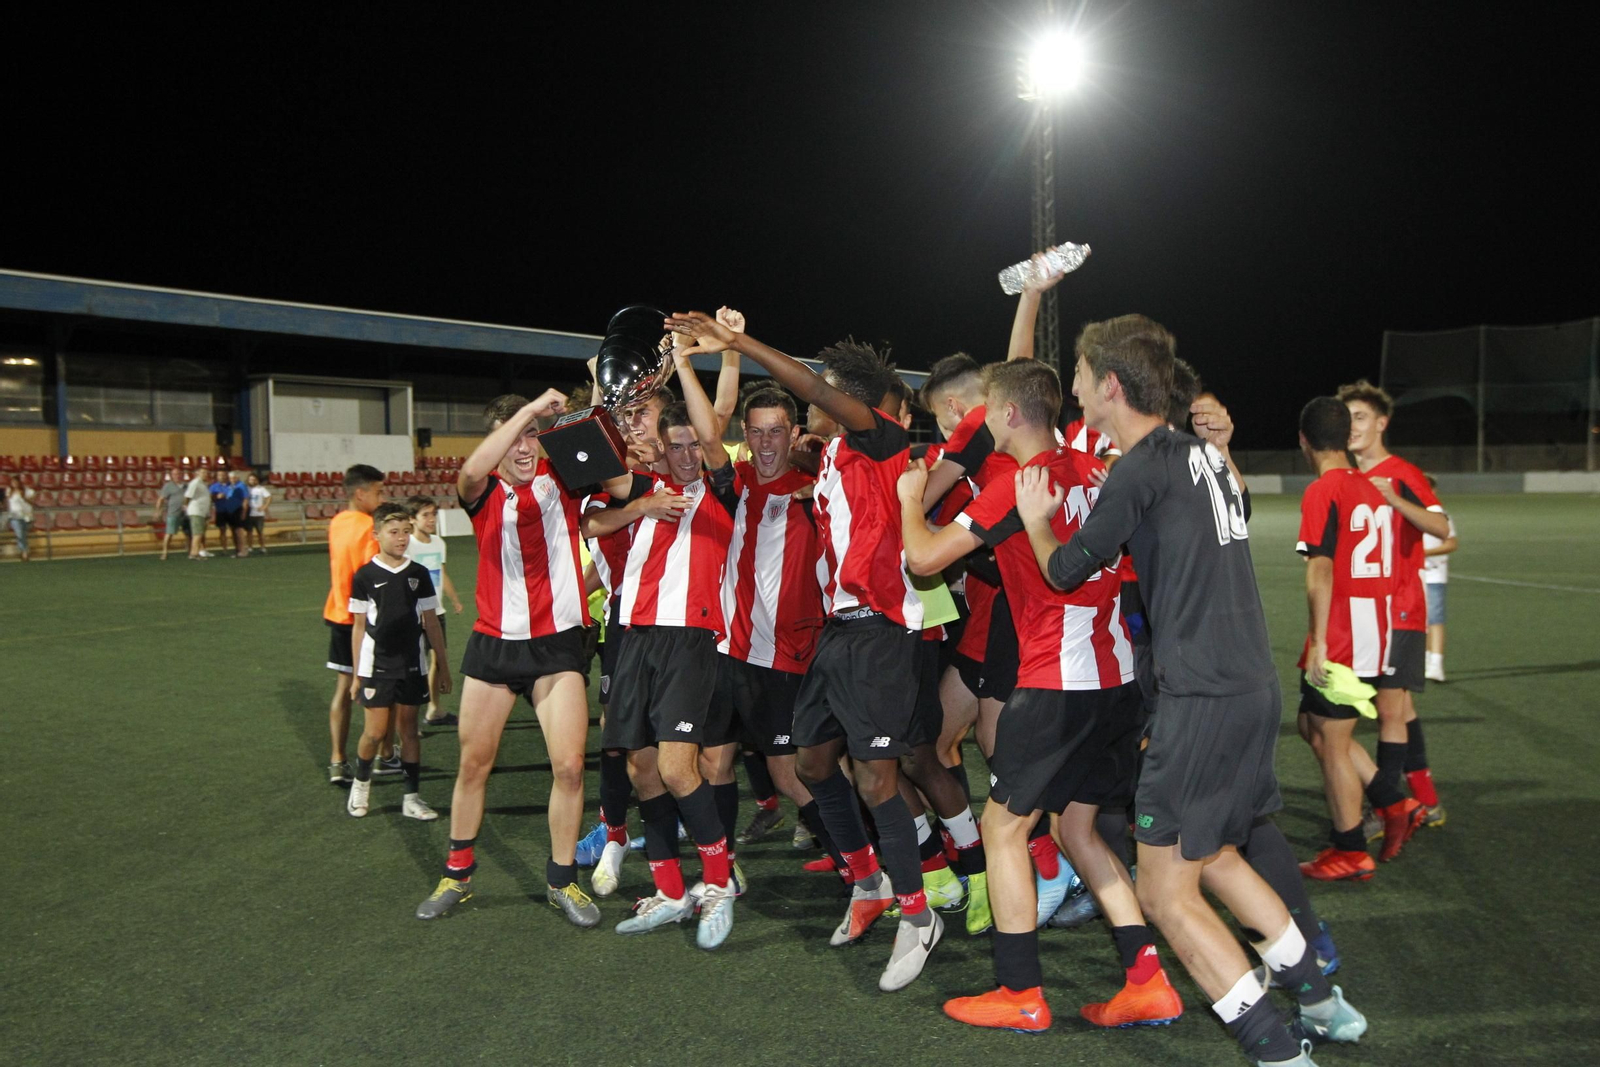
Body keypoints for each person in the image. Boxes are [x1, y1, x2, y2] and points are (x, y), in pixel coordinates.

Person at [1014, 315, 1366, 1066]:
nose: (1071, 384)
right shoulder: (1197, 456)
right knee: (1218, 856)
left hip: (1200, 698)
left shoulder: (1141, 465)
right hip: (1249, 687)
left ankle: (1277, 1050)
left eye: (1077, 372)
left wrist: (1036, 521)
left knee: (1166, 893)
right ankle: (1322, 999)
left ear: (1110, 385)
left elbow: (1067, 568)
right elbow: (1221, 517)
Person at [899, 360, 1181, 1032]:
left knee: (1002, 826)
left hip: (1060, 680)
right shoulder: (1093, 470)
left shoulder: (1017, 482)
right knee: (1077, 827)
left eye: (988, 411)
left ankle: (1020, 989)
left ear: (1012, 414)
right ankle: (1147, 977)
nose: (981, 425)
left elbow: (925, 558)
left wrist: (912, 497)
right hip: (1117, 680)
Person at [669, 309, 942, 993]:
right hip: (837, 635)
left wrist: (740, 345)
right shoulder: (830, 460)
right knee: (815, 763)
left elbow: (816, 397)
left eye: (826, 390)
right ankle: (870, 880)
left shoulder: (880, 440)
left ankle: (919, 914)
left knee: (878, 778)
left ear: (851, 398)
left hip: (881, 633)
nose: (814, 397)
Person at [415, 390, 635, 929]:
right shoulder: (481, 493)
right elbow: (469, 470)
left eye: (531, 438)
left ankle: (562, 881)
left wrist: (586, 409)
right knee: (473, 763)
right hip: (495, 642)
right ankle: (457, 874)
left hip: (557, 644)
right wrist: (529, 412)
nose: (524, 447)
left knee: (567, 768)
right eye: (514, 438)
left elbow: (606, 453)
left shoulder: (561, 480)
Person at [585, 382, 738, 949]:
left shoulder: (725, 491)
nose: (686, 456)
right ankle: (672, 892)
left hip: (690, 639)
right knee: (642, 771)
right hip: (634, 639)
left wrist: (687, 364)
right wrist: (602, 401)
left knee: (678, 770)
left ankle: (719, 885)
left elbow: (714, 433)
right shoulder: (650, 487)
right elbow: (599, 466)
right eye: (676, 446)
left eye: (695, 445)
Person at [1293, 397, 1400, 882]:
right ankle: (1393, 801)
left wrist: (1318, 641)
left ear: (1304, 441)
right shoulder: (1371, 487)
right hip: (1371, 627)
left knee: (1332, 742)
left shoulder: (1324, 489)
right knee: (1310, 726)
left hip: (1342, 635)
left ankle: (1351, 848)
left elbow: (1320, 567)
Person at [1340, 379, 1451, 834]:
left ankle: (1388, 809)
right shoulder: (1345, 478)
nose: (1352, 427)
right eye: (1346, 419)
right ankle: (1415, 801)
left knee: (1390, 710)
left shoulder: (1402, 472)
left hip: (1401, 611)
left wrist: (1396, 498)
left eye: (1361, 417)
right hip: (1361, 617)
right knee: (1393, 711)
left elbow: (1442, 527)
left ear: (1382, 423)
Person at [346, 502, 451, 822]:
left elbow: (431, 622)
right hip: (376, 668)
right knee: (375, 734)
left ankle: (412, 797)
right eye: (394, 532)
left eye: (406, 531)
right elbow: (359, 627)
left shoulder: (418, 574)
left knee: (409, 732)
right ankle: (361, 785)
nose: (402, 538)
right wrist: (355, 675)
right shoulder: (365, 576)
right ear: (377, 534)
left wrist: (443, 665)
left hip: (412, 666)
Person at [323, 465, 387, 784]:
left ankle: (337, 759)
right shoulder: (368, 526)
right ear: (360, 493)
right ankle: (381, 756)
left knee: (343, 688)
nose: (382, 497)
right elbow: (372, 575)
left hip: (338, 614)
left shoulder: (336, 523)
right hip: (366, 619)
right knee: (374, 691)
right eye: (378, 492)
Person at [405, 494, 465, 725]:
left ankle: (434, 709)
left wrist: (454, 599)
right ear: (412, 519)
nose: (431, 519)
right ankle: (410, 719)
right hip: (414, 615)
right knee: (414, 665)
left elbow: (441, 573)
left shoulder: (439, 543)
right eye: (425, 515)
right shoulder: (408, 545)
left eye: (434, 514)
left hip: (436, 612)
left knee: (438, 661)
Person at [1422, 491, 1458, 684]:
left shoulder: (1441, 515)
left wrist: (1424, 553)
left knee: (1435, 617)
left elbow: (1451, 543)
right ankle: (1427, 659)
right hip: (1412, 575)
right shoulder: (1405, 513)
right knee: (1420, 620)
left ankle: (1436, 664)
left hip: (1434, 573)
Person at [155, 466, 187, 560]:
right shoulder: (168, 486)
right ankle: (164, 552)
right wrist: (158, 511)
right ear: (172, 476)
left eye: (178, 474)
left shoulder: (186, 486)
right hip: (173, 512)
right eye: (174, 474)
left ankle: (190, 551)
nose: (177, 476)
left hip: (185, 513)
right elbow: (161, 499)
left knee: (188, 533)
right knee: (169, 533)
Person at [184, 466, 213, 560]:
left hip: (201, 511)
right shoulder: (195, 482)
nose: (205, 474)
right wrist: (186, 506)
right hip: (196, 511)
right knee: (198, 533)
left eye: (206, 472)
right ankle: (194, 553)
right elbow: (188, 495)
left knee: (199, 533)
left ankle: (194, 552)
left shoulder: (203, 484)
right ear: (197, 473)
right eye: (203, 472)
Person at [6, 478, 35, 561]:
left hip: (26, 516)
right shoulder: (9, 491)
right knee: (19, 534)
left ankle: (24, 550)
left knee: (23, 535)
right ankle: (24, 552)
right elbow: (8, 502)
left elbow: (32, 502)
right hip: (15, 516)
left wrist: (23, 497)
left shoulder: (28, 491)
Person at [245, 472, 271, 554]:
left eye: (254, 479)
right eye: (250, 479)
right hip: (248, 513)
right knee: (249, 532)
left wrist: (264, 506)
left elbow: (268, 497)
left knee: (260, 531)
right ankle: (250, 547)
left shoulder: (261, 489)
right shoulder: (246, 489)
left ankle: (262, 547)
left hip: (259, 514)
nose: (252, 481)